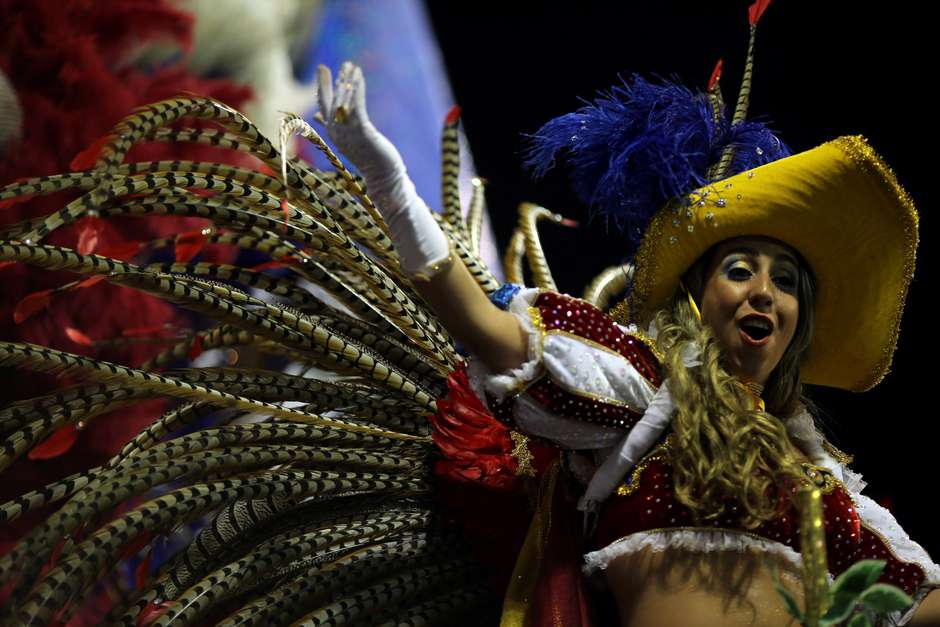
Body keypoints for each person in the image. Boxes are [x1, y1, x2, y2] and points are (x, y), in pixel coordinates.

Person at [314, 46, 940, 626]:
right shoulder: (637, 395)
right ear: (696, 302)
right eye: (741, 270)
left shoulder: (826, 484)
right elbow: (493, 335)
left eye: (785, 283)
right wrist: (393, 190)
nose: (764, 294)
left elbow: (917, 605)